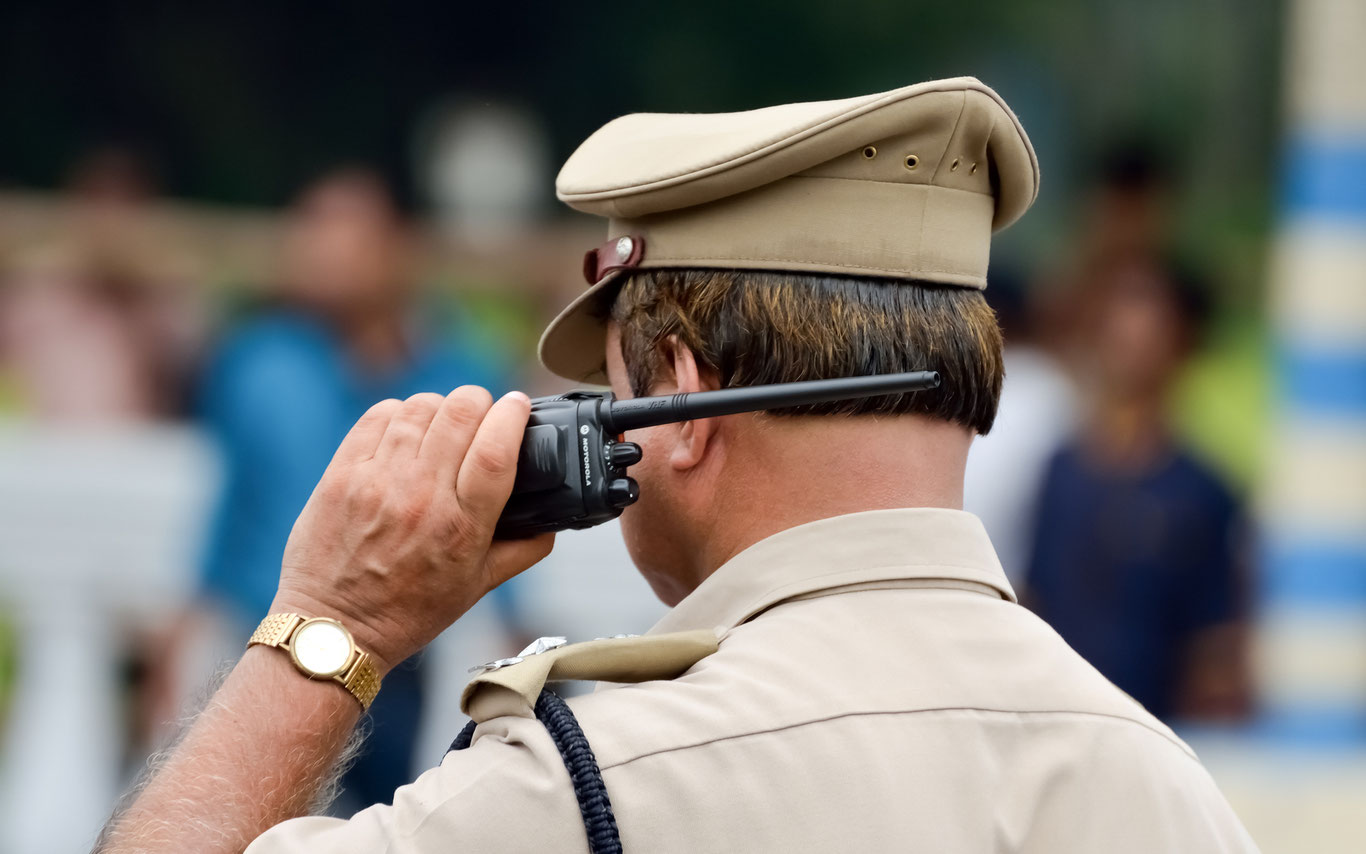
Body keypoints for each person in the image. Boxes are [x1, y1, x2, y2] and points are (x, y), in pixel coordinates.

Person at [98, 77, 1256, 853]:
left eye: (615, 388)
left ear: (688, 399)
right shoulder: (1165, 789)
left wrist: (329, 623)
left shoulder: (582, 783)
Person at [191, 167, 508, 811]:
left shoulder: (465, 370)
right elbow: (227, 508)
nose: (325, 247)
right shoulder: (255, 364)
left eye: (346, 227)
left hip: (414, 651)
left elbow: (498, 515)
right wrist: (189, 617)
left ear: (398, 243)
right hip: (266, 641)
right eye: (312, 226)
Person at [1024, 255, 1252, 722]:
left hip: (1159, 739)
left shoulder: (1205, 492)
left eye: (1147, 328)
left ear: (1183, 344)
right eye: (1115, 327)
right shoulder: (1059, 473)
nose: (1128, 343)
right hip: (1057, 728)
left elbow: (1216, 651)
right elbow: (1034, 604)